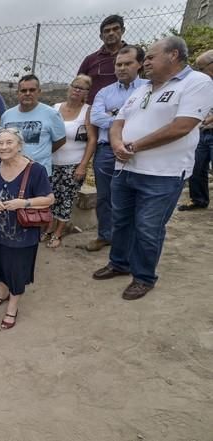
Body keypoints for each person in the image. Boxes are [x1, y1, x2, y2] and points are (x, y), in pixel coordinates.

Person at [93, 37, 213, 300]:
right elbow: (117, 122)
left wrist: (133, 147)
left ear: (173, 55)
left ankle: (144, 277)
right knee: (121, 220)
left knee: (148, 227)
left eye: (150, 57)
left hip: (163, 173)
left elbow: (182, 126)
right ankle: (119, 263)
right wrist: (117, 145)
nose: (145, 61)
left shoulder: (198, 83)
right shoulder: (142, 89)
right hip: (125, 168)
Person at [0, 129, 54, 330]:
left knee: (16, 271)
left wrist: (24, 203)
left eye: (8, 142)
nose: (3, 147)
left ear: (19, 145)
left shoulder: (35, 170)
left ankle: (12, 307)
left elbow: (49, 199)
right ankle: (1, 293)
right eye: (0, 144)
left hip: (22, 235)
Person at [85, 45, 147, 252]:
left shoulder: (149, 88)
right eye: (118, 64)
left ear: (139, 64)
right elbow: (96, 118)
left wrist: (114, 115)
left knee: (135, 195)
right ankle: (105, 236)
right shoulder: (104, 92)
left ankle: (132, 239)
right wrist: (125, 118)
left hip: (139, 150)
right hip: (106, 151)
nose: (122, 68)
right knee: (105, 196)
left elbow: (147, 118)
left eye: (127, 63)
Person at [42, 75, 97, 249]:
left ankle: (59, 232)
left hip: (73, 164)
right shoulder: (55, 108)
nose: (76, 90)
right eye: (75, 86)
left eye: (81, 88)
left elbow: (92, 140)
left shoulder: (87, 111)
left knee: (66, 199)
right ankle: (49, 227)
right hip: (51, 162)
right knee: (51, 197)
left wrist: (83, 165)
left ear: (87, 93)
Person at [0, 74, 66, 176]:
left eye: (32, 90)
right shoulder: (6, 116)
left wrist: (43, 153)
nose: (27, 93)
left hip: (39, 174)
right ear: (17, 93)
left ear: (39, 92)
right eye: (23, 90)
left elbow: (60, 140)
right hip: (12, 172)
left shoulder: (52, 114)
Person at [178, 49, 213, 211]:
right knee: (197, 167)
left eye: (201, 67)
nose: (200, 71)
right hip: (203, 132)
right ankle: (198, 200)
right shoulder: (202, 83)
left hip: (207, 127)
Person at [78, 14, 128, 104]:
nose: (111, 33)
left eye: (115, 29)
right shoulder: (90, 60)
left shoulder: (135, 55)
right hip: (95, 111)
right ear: (101, 36)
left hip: (126, 110)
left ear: (123, 31)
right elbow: (78, 86)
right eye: (107, 31)